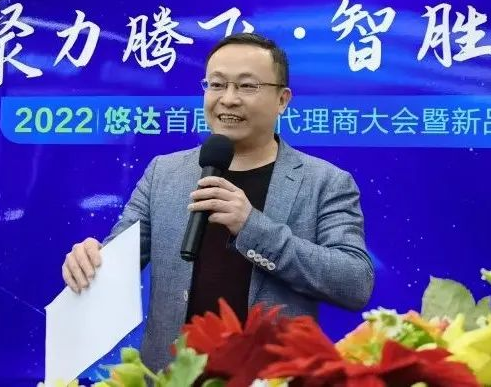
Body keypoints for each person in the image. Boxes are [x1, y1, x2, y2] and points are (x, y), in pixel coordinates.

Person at [61, 32, 375, 372]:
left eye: (247, 86)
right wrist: (91, 261)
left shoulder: (325, 182)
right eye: (217, 85)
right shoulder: (164, 173)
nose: (228, 99)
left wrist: (251, 227)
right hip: (173, 376)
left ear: (282, 100)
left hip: (272, 377)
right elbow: (121, 259)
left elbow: (354, 282)